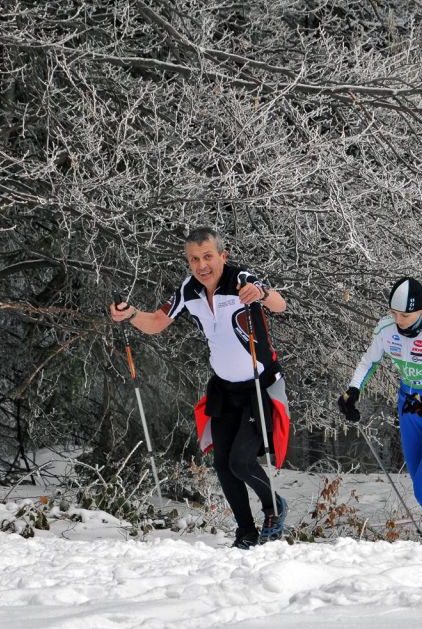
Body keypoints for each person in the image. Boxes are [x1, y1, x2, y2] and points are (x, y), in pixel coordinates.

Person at [110, 227, 291, 549]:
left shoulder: (240, 279)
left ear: (222, 256)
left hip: (258, 388)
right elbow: (156, 323)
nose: (201, 265)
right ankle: (246, 532)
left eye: (208, 256)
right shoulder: (189, 290)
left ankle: (273, 507)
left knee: (241, 462)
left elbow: (279, 305)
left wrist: (261, 294)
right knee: (222, 464)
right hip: (223, 389)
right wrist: (132, 315)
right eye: (194, 259)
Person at [337, 277, 422, 543]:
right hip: (410, 409)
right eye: (394, 313)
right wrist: (353, 390)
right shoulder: (386, 329)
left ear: (421, 310)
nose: (399, 320)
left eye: (406, 315)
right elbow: (369, 360)